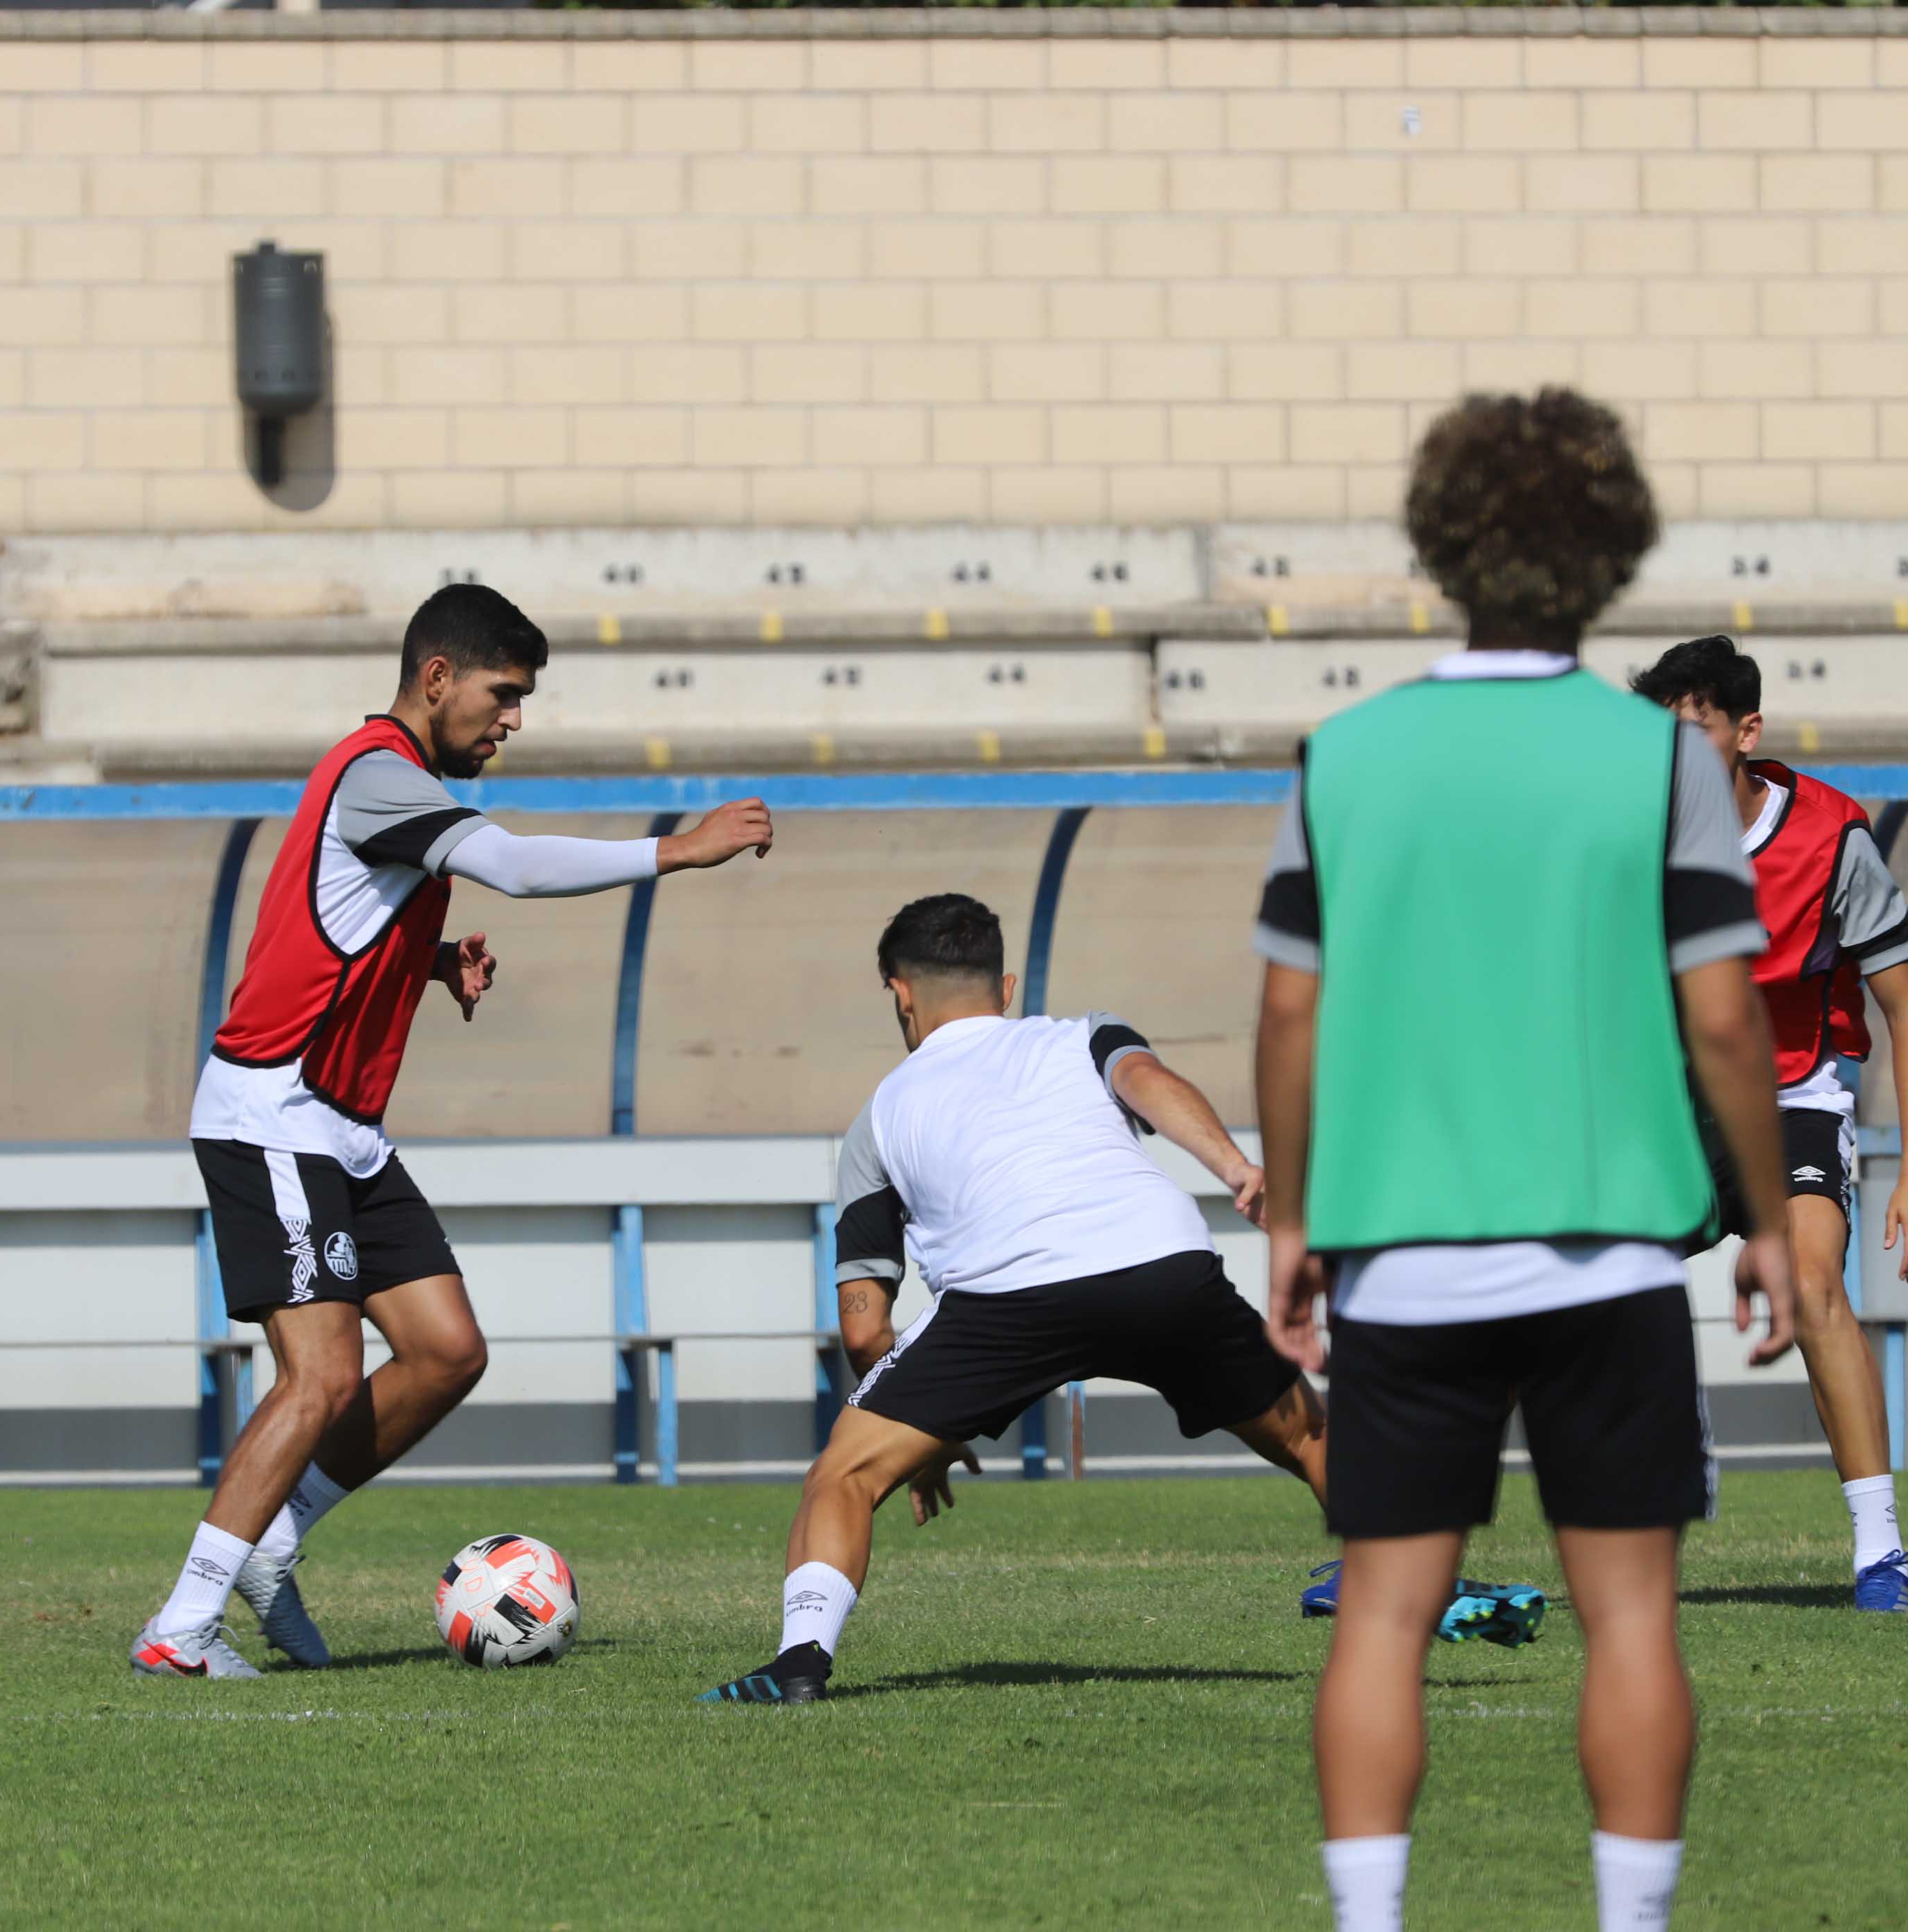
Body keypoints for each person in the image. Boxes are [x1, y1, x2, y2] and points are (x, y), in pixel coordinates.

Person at [1255, 389, 1798, 1932]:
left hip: (1406, 1252)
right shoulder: (1663, 761)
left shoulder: (1345, 754)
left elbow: (1289, 1010)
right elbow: (1716, 1018)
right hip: (1612, 1249)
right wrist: (1762, 1214)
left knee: (1382, 1610)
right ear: (1610, 557)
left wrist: (1290, 1214)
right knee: (1630, 1617)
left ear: (1440, 544)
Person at [133, 584, 775, 1677]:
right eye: (504, 694)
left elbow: (327, 928)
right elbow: (518, 866)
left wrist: (424, 963)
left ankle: (271, 1546)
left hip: (342, 1129)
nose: (513, 719)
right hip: (273, 1113)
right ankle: (180, 1628)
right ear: (438, 678)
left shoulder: (396, 788)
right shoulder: (378, 772)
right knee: (321, 1377)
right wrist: (677, 850)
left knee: (445, 1352)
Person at [697, 894, 1539, 1708]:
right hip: (1161, 1265)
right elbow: (1145, 1079)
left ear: (899, 991)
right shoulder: (1079, 1035)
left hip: (1007, 1297)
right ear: (1007, 987)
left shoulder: (876, 1121)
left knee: (840, 1475)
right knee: (1309, 1430)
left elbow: (865, 1323)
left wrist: (921, 1434)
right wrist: (1236, 1167)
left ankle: (799, 1660)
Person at [1629, 634, 1908, 1612]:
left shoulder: (1833, 837)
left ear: (1747, 732)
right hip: (1667, 1096)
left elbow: (1901, 1004)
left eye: (1691, 734)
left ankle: (1881, 1550)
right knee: (1580, 1277)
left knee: (1812, 1273)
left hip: (1795, 1089)